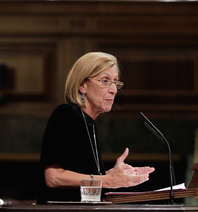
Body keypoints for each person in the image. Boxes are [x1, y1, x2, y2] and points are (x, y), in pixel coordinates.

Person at [37, 52, 155, 203]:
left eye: (115, 82)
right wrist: (109, 180)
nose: (114, 90)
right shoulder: (66, 115)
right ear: (82, 85)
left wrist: (112, 174)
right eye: (105, 80)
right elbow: (53, 177)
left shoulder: (89, 124)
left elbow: (83, 181)